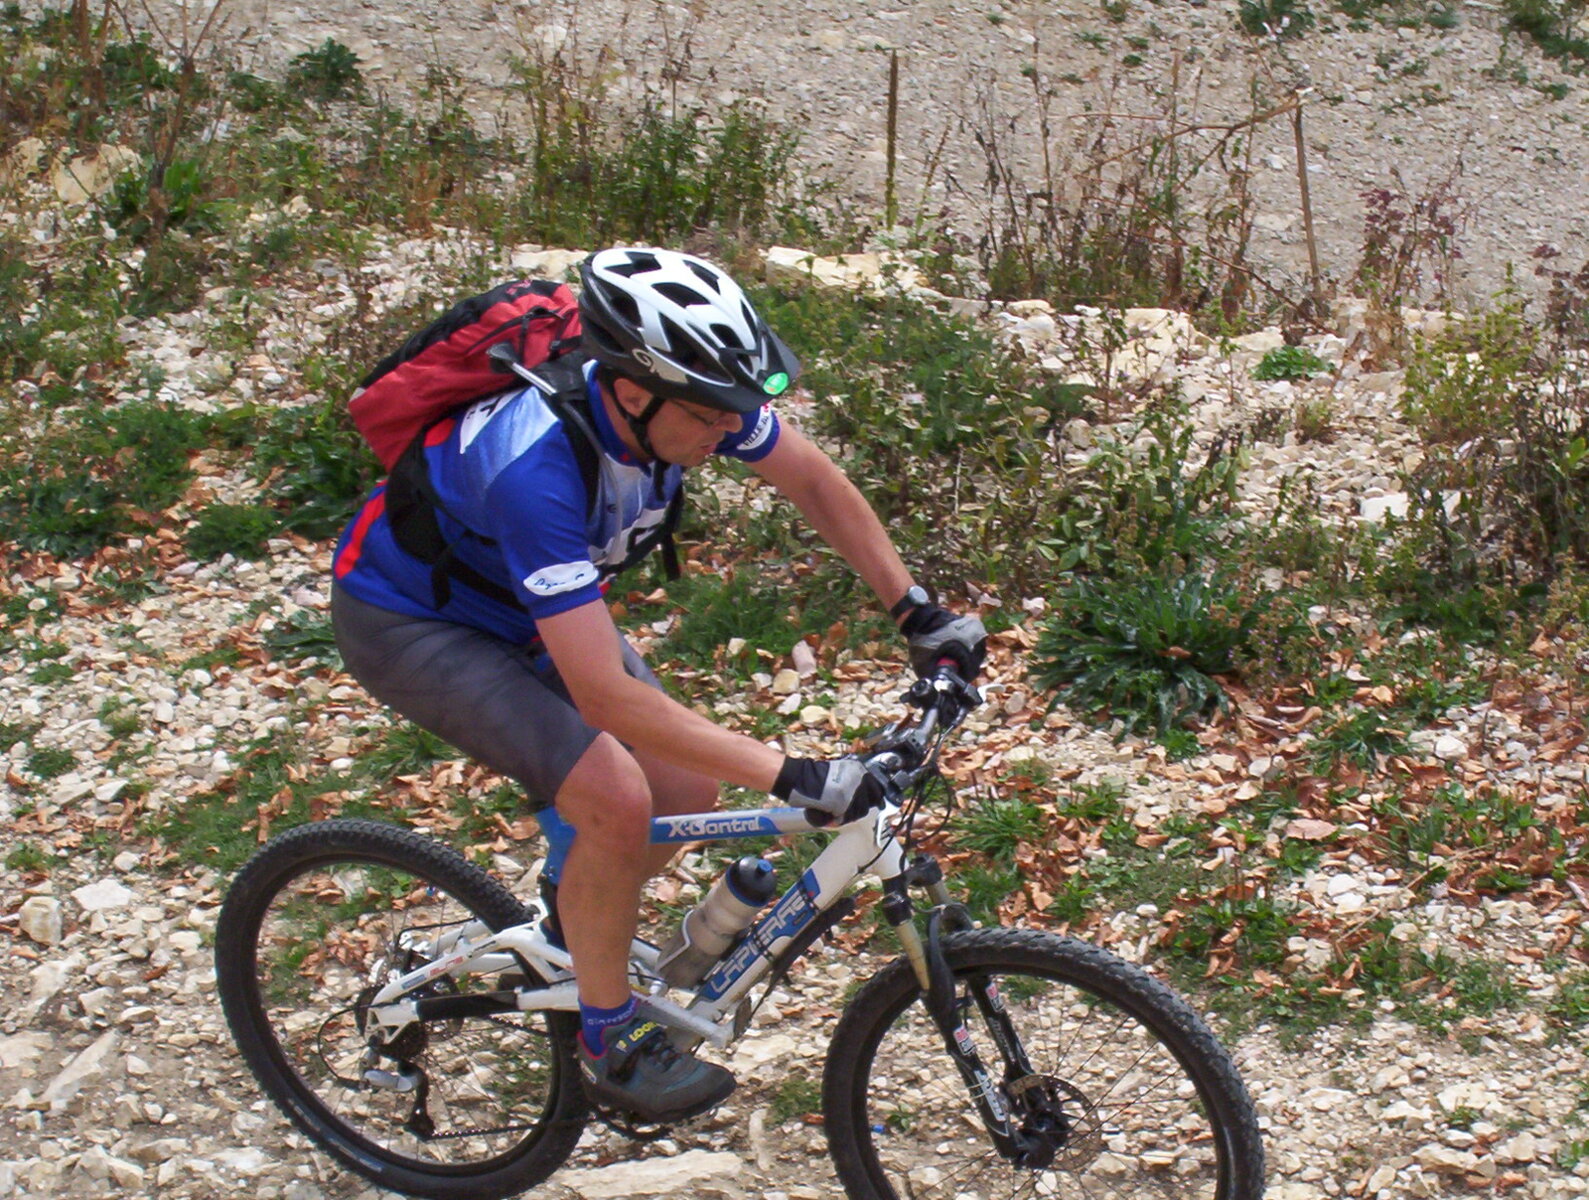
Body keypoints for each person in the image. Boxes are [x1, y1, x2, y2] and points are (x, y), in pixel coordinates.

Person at [329, 247, 986, 1123]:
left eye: (737, 410)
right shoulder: (535, 470)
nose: (730, 430)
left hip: (526, 612)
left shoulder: (692, 402)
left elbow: (813, 481)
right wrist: (794, 774)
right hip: (413, 624)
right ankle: (608, 1043)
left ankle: (571, 925)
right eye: (712, 415)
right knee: (614, 797)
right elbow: (604, 697)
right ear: (634, 392)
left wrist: (916, 612)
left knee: (683, 790)